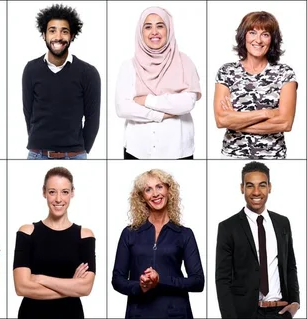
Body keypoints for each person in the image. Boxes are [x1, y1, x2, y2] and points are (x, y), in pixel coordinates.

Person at [111, 169, 204, 318]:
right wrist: (140, 286)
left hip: (175, 313)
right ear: (142, 197)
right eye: (148, 189)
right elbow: (117, 280)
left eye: (159, 187)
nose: (155, 194)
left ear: (169, 190)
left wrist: (161, 281)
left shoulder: (184, 234)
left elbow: (198, 282)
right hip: (139, 313)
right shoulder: (129, 233)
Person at [215, 161, 300, 318]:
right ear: (242, 188)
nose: (256, 192)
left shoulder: (282, 223)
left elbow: (290, 266)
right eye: (249, 185)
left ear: (269, 187)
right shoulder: (228, 227)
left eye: (262, 185)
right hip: (245, 313)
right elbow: (222, 280)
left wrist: (295, 302)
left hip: (279, 311)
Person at [115, 7, 201, 159]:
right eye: (148, 27)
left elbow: (187, 103)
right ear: (140, 32)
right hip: (137, 149)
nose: (154, 32)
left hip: (178, 149)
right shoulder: (129, 66)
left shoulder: (184, 62)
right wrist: (162, 114)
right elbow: (123, 108)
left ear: (169, 29)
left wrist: (145, 100)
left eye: (160, 26)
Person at [13, 167, 96, 318]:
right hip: (32, 314)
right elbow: (21, 287)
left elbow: (85, 288)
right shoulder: (27, 232)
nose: (58, 199)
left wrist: (39, 278)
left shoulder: (85, 236)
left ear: (72, 192)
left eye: (64, 192)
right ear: (44, 192)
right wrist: (71, 286)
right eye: (52, 192)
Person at [213, 11, 297, 159]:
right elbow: (221, 120)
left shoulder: (285, 73)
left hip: (273, 156)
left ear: (272, 40)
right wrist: (267, 113)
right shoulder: (227, 71)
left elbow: (285, 123)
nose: (258, 40)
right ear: (243, 36)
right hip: (233, 156)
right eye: (252, 32)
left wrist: (236, 120)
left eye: (265, 34)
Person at [23, 4, 101, 160]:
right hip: (37, 154)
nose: (58, 37)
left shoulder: (88, 73)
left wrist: (81, 150)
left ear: (72, 36)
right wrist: (39, 142)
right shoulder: (31, 69)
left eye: (64, 31)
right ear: (43, 35)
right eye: (52, 30)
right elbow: (28, 112)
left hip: (75, 155)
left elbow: (93, 118)